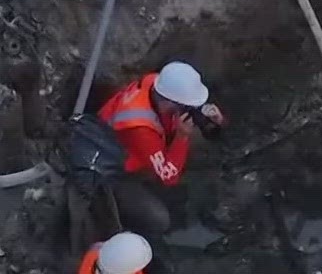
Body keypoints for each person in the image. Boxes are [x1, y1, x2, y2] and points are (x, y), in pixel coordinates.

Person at [95, 61, 227, 238]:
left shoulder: (159, 85)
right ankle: (125, 228)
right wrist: (181, 137)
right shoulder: (139, 127)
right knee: (159, 220)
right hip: (109, 172)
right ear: (172, 102)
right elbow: (168, 177)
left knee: (192, 146)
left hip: (136, 147)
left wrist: (217, 123)